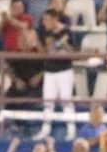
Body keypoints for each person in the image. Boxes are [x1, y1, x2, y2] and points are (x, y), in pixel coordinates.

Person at [33, 9, 77, 141]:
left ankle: (71, 130)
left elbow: (74, 53)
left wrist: (64, 44)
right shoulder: (44, 32)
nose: (44, 22)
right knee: (48, 102)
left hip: (64, 71)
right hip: (49, 72)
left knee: (66, 101)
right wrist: (38, 43)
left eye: (46, 20)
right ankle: (45, 130)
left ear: (54, 19)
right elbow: (44, 54)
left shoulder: (67, 32)